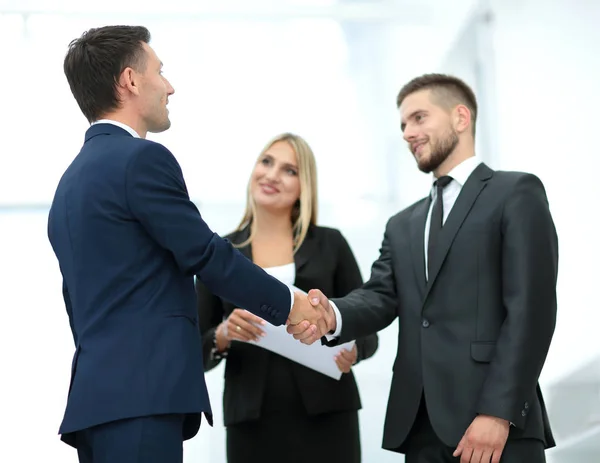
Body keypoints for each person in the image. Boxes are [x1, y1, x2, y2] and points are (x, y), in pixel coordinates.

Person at [47, 26, 324, 463]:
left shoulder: (69, 183)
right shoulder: (141, 159)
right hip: (142, 398)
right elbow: (206, 253)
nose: (169, 86)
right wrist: (290, 305)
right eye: (160, 71)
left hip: (95, 403)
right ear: (131, 81)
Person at [289, 73, 558, 463]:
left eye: (418, 118)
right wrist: (331, 313)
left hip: (496, 425)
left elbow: (531, 312)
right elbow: (379, 296)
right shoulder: (402, 224)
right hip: (419, 428)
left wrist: (498, 412)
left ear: (460, 118)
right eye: (402, 124)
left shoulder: (515, 193)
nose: (407, 132)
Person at [195, 133, 379, 463]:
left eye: (289, 170)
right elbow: (193, 349)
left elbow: (367, 329)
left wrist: (354, 349)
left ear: (303, 187)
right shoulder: (220, 254)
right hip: (251, 419)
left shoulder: (330, 245)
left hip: (327, 415)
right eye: (266, 162)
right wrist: (223, 335)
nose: (272, 175)